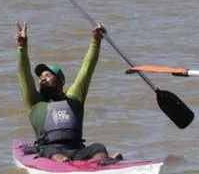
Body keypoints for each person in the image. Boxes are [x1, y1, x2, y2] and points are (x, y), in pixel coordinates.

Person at [15, 20, 120, 162]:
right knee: (50, 151)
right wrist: (22, 48)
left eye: (47, 75)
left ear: (60, 81)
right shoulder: (35, 102)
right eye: (40, 77)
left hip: (77, 150)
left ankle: (102, 163)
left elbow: (86, 71)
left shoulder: (73, 99)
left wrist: (95, 41)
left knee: (98, 148)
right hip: (51, 151)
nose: (42, 79)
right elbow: (24, 75)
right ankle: (69, 163)